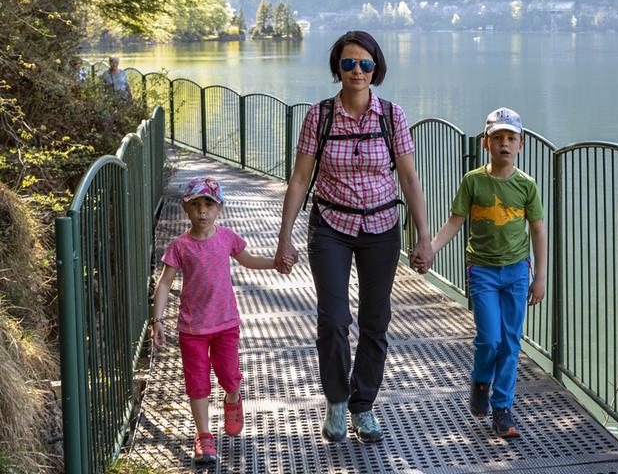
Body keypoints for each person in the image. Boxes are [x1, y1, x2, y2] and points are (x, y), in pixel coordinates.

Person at [274, 30, 434, 444]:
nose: (357, 71)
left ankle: (363, 406)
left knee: (375, 321)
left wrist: (424, 237)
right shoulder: (320, 116)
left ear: (376, 68)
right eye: (348, 63)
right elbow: (300, 178)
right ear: (337, 69)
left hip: (381, 229)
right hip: (331, 226)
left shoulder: (391, 116)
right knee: (332, 320)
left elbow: (409, 178)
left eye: (365, 63)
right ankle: (337, 401)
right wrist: (284, 237)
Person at [413, 107, 547, 438]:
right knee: (490, 338)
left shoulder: (526, 186)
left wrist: (540, 276)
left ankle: (502, 409)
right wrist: (430, 248)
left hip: (517, 271)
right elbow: (456, 222)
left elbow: (539, 231)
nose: (504, 143)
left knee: (511, 343)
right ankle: (481, 380)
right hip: (483, 271)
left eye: (511, 138)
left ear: (521, 144)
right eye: (497, 137)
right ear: (485, 143)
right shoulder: (473, 182)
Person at [151, 176, 288, 465]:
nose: (203, 211)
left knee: (230, 376)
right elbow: (164, 284)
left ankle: (232, 399)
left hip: (225, 325)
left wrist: (275, 263)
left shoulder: (226, 238)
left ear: (219, 209)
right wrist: (158, 320)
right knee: (197, 382)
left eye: (209, 204)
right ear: (185, 208)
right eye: (197, 205)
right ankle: (204, 437)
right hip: (192, 329)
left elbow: (248, 259)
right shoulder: (180, 246)